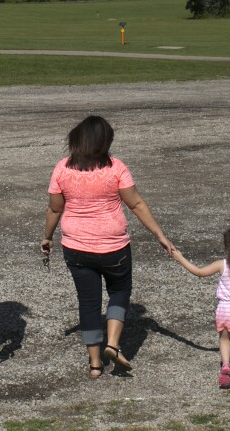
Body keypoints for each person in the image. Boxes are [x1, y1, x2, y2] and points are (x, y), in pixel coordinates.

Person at [41, 115, 177, 379]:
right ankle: (112, 345)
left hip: (76, 247)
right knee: (120, 290)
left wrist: (46, 237)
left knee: (88, 302)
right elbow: (135, 204)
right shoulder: (116, 168)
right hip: (113, 246)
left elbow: (55, 208)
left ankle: (94, 364)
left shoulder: (62, 169)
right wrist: (160, 234)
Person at [170, 226, 230, 388]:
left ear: (228, 247)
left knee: (225, 339)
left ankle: (226, 365)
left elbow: (199, 272)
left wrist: (180, 258)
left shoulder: (222, 265)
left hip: (225, 309)